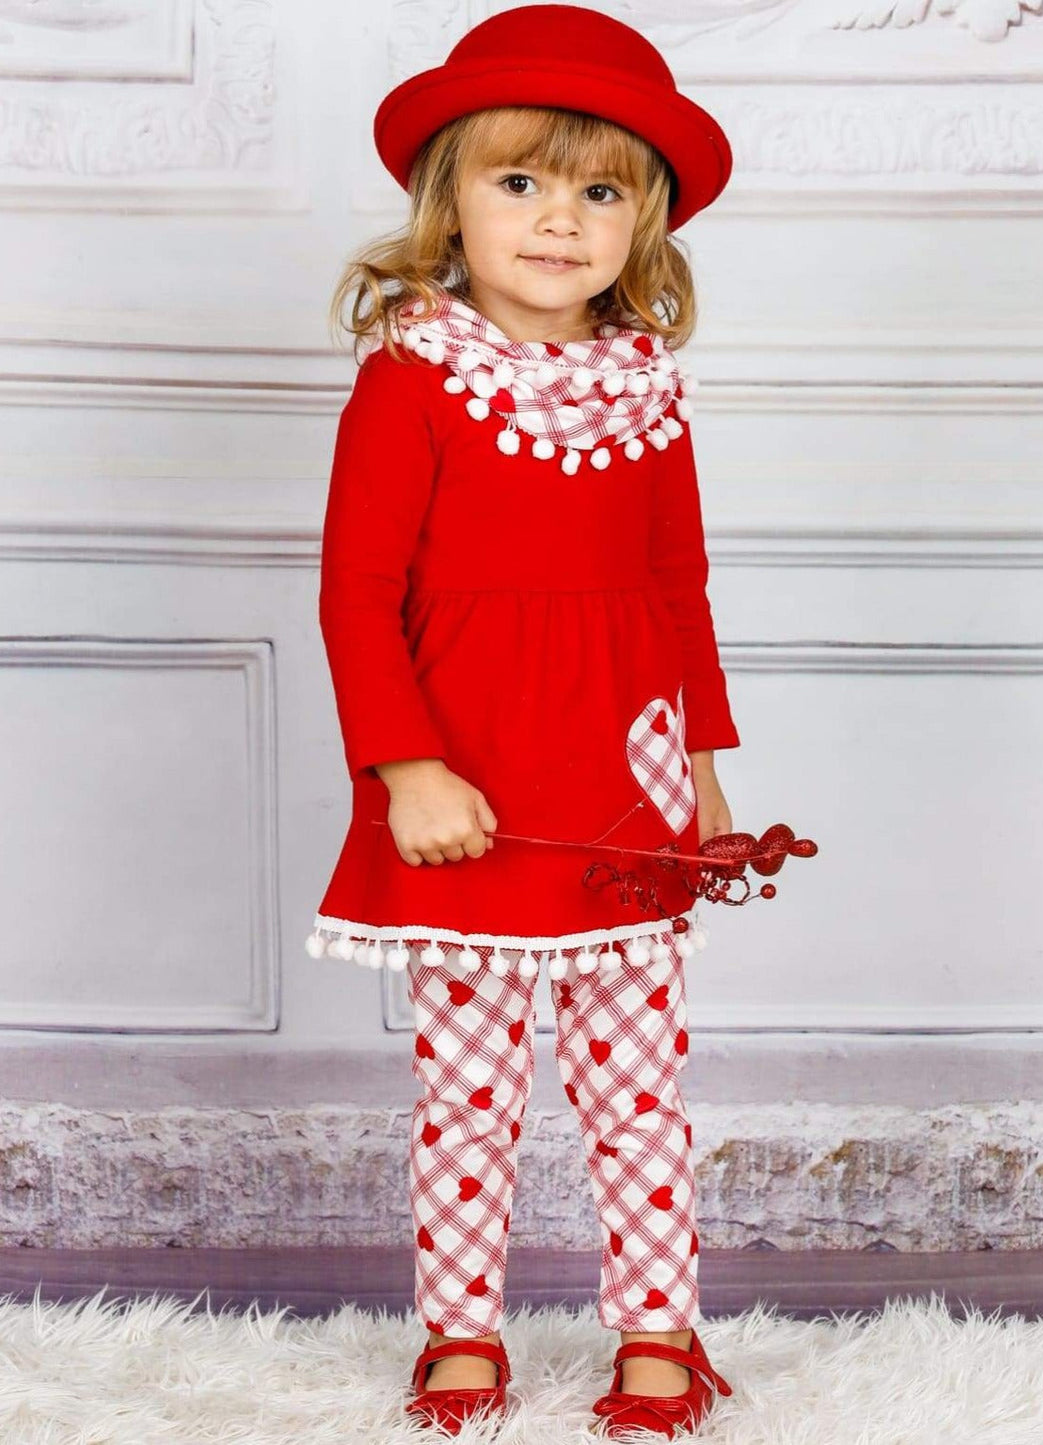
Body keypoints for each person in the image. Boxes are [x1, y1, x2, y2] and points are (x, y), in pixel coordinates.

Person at [305, 4, 743, 1436]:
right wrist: (408, 768)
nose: (561, 219)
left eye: (600, 192)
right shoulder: (411, 377)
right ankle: (459, 1331)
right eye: (521, 181)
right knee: (471, 1092)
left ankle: (661, 1330)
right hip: (469, 797)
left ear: (643, 223)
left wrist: (708, 769)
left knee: (639, 1091)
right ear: (451, 202)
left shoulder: (649, 391)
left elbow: (677, 588)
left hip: (623, 791)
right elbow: (357, 593)